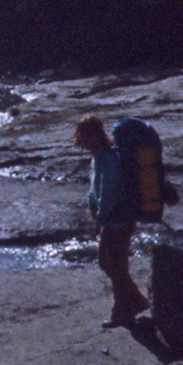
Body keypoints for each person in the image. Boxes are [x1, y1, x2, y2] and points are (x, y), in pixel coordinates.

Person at [75, 113, 150, 327]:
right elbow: (94, 188)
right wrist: (93, 206)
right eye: (83, 135)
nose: (86, 140)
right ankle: (136, 300)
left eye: (90, 135)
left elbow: (108, 191)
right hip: (110, 218)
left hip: (118, 218)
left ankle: (122, 312)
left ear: (99, 134)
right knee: (108, 263)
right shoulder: (98, 156)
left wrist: (101, 214)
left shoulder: (108, 157)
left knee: (115, 265)